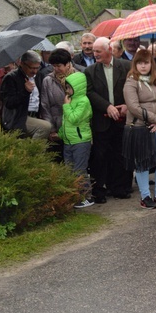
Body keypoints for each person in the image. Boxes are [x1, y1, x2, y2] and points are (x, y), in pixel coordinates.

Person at [123, 49, 156, 208]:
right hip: (139, 127)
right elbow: (133, 107)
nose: (143, 66)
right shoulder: (131, 82)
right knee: (143, 163)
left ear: (151, 64)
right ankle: (145, 196)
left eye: (146, 62)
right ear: (135, 64)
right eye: (139, 63)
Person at [85, 37, 132, 203]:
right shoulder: (90, 71)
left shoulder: (126, 66)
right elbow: (90, 93)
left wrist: (127, 105)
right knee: (100, 156)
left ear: (109, 50)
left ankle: (119, 188)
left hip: (121, 118)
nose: (95, 53)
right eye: (94, 51)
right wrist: (106, 106)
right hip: (102, 120)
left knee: (120, 154)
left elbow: (134, 88)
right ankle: (99, 190)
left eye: (98, 51)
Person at [58, 71, 95, 209]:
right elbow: (65, 121)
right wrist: (61, 133)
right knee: (70, 169)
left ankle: (86, 197)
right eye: (66, 88)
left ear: (77, 87)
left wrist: (66, 106)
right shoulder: (71, 100)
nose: (67, 91)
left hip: (80, 141)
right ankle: (74, 196)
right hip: (69, 141)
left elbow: (74, 119)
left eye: (69, 88)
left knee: (80, 170)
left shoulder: (83, 101)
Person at [0, 51, 53, 140]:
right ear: (22, 64)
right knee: (45, 127)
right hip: (18, 117)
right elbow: (8, 103)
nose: (35, 71)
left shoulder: (39, 76)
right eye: (32, 68)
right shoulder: (11, 78)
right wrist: (25, 91)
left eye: (37, 68)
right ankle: (32, 152)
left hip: (35, 115)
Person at [40, 49, 76, 153]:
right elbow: (45, 106)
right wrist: (51, 129)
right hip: (56, 125)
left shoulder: (78, 77)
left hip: (74, 127)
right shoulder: (48, 80)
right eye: (53, 66)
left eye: (59, 66)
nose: (56, 69)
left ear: (68, 64)